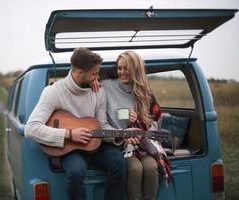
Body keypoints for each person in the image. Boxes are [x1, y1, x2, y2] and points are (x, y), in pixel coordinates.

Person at [25, 47, 126, 200]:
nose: (98, 77)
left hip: (95, 145)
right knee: (76, 172)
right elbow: (31, 129)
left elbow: (102, 125)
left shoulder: (99, 92)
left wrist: (120, 135)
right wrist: (69, 134)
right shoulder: (54, 92)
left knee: (119, 163)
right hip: (70, 147)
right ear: (79, 73)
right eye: (94, 73)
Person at [93, 50, 170, 200]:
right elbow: (110, 118)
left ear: (135, 69)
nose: (122, 72)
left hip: (144, 143)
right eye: (119, 68)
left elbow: (156, 122)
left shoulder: (145, 93)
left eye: (126, 68)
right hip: (120, 144)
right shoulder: (106, 87)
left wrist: (141, 122)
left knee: (151, 167)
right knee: (135, 168)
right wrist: (93, 81)